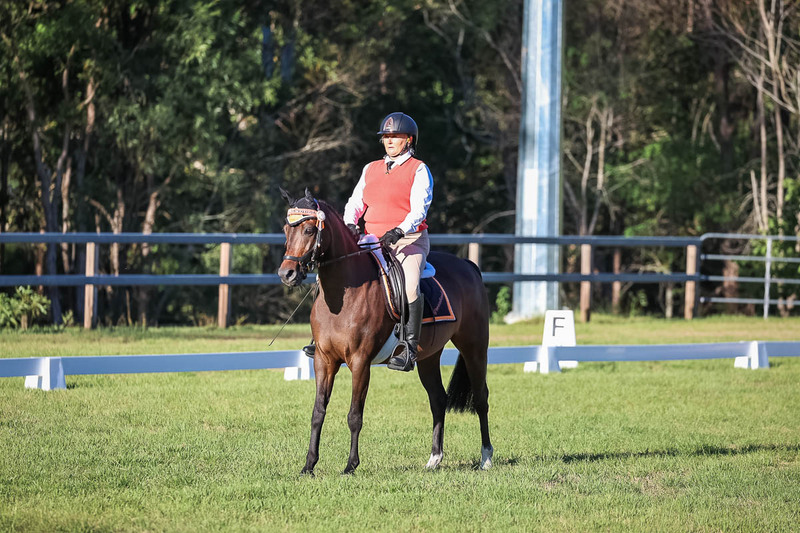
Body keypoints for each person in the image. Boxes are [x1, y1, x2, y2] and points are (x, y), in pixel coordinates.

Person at [303, 112, 433, 372]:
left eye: (394, 136)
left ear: (408, 140)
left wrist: (399, 230)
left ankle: (408, 347)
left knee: (409, 286)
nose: (389, 141)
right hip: (372, 240)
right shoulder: (371, 168)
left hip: (407, 241)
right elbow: (355, 201)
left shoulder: (418, 169)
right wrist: (350, 223)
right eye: (386, 136)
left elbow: (420, 208)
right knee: (327, 275)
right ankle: (319, 336)